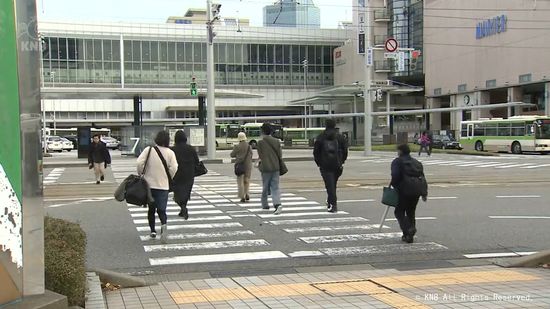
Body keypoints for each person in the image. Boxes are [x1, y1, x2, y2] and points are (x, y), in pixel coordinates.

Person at [137, 131, 178, 243]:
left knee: (151, 209)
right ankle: (163, 227)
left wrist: (141, 173)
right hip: (163, 185)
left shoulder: (149, 150)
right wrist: (168, 176)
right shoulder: (170, 153)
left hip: (149, 185)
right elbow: (174, 167)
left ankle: (153, 231)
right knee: (162, 209)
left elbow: (139, 163)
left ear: (157, 139)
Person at [390, 144, 428, 244]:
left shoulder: (397, 162)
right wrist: (424, 193)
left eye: (398, 150)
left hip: (403, 190)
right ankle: (408, 235)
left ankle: (409, 229)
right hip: (416, 190)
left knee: (399, 211)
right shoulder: (417, 162)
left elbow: (395, 175)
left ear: (400, 151)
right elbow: (423, 177)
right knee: (411, 211)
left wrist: (395, 185)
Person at [313, 119, 348, 213]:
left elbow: (316, 152)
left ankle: (333, 205)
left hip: (325, 165)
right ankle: (330, 202)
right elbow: (345, 151)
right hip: (337, 165)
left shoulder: (320, 137)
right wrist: (342, 161)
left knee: (330, 185)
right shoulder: (340, 137)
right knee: (333, 184)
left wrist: (319, 163)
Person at [171, 130, 199, 220]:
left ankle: (183, 208)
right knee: (186, 192)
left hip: (177, 174)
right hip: (189, 174)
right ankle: (183, 208)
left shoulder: (173, 150)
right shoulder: (191, 148)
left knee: (178, 193)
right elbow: (197, 161)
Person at [257, 123, 283, 214]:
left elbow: (260, 155)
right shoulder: (276, 141)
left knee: (265, 186)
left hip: (265, 167)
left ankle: (265, 204)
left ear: (263, 131)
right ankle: (277, 204)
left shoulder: (260, 142)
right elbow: (280, 155)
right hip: (276, 166)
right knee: (275, 187)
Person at [231, 132, 253, 203]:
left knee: (240, 181)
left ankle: (242, 196)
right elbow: (251, 154)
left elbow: (232, 155)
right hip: (248, 165)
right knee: (247, 180)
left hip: (240, 165)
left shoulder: (237, 146)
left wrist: (238, 156)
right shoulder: (249, 146)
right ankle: (247, 193)